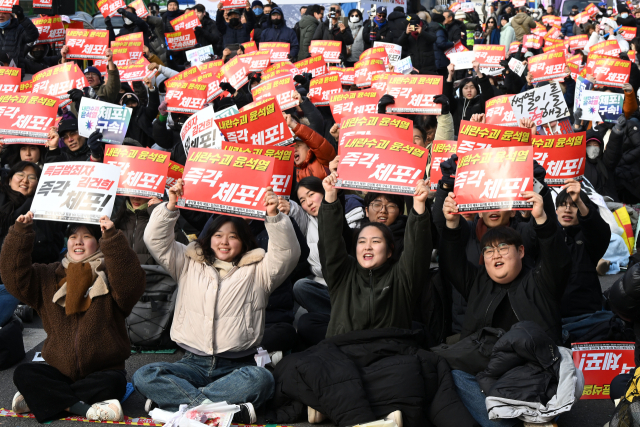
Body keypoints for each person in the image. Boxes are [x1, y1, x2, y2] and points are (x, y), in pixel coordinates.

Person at [133, 180, 301, 424]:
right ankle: (216, 411)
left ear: (243, 241)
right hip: (192, 362)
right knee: (144, 374)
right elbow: (156, 241)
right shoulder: (187, 261)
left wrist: (274, 217)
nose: (224, 242)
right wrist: (169, 207)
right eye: (219, 235)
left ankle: (176, 405)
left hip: (236, 365)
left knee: (261, 379)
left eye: (233, 237)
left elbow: (287, 253)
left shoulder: (260, 270)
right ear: (209, 238)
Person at [439, 190, 572, 426]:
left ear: (520, 251)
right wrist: (451, 224)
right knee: (454, 374)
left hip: (534, 375)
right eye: (488, 250)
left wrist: (542, 219)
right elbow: (451, 261)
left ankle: (531, 417)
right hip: (487, 373)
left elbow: (557, 257)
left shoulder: (541, 280)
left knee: (563, 378)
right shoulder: (477, 282)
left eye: (503, 247)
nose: (495, 254)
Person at [2, 213, 146, 423]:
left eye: (87, 236)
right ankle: (84, 409)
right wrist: (20, 233)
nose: (78, 241)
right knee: (24, 374)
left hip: (103, 372)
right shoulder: (48, 275)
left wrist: (112, 238)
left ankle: (41, 397)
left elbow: (131, 282)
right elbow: (13, 277)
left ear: (98, 243)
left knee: (111, 385)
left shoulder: (111, 274)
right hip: (59, 372)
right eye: (72, 237)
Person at [318, 172, 432, 339]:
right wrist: (330, 196)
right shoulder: (342, 276)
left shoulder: (402, 279)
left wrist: (419, 204)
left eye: (376, 241)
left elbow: (418, 251)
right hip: (344, 354)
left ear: (390, 251)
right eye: (362, 242)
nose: (368, 247)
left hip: (390, 355)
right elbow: (330, 242)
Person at [555, 180, 611, 318]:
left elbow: (598, 229)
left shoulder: (589, 239)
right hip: (552, 316)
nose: (567, 209)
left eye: (573, 205)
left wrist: (580, 201)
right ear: (556, 210)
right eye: (562, 205)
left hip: (585, 314)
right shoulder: (550, 238)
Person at [444, 61, 495, 134]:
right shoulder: (456, 103)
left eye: (472, 87)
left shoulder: (481, 101)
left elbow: (488, 93)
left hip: (478, 136)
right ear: (461, 91)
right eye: (465, 88)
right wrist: (450, 75)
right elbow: (447, 95)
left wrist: (478, 72)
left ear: (477, 89)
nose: (469, 90)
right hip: (457, 138)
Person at [287, 114, 335, 182]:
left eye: (298, 146)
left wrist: (294, 126)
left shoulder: (324, 159)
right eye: (291, 148)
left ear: (309, 146)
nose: (294, 150)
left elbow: (316, 142)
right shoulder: (295, 173)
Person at [363, 192, 407, 260]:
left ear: (400, 212)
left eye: (391, 206)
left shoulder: (408, 240)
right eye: (377, 205)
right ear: (367, 211)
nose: (383, 210)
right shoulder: (355, 236)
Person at [430, 12, 454, 77]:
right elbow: (441, 43)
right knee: (443, 78)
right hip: (439, 58)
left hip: (431, 59)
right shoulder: (439, 30)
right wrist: (452, 43)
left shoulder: (428, 27)